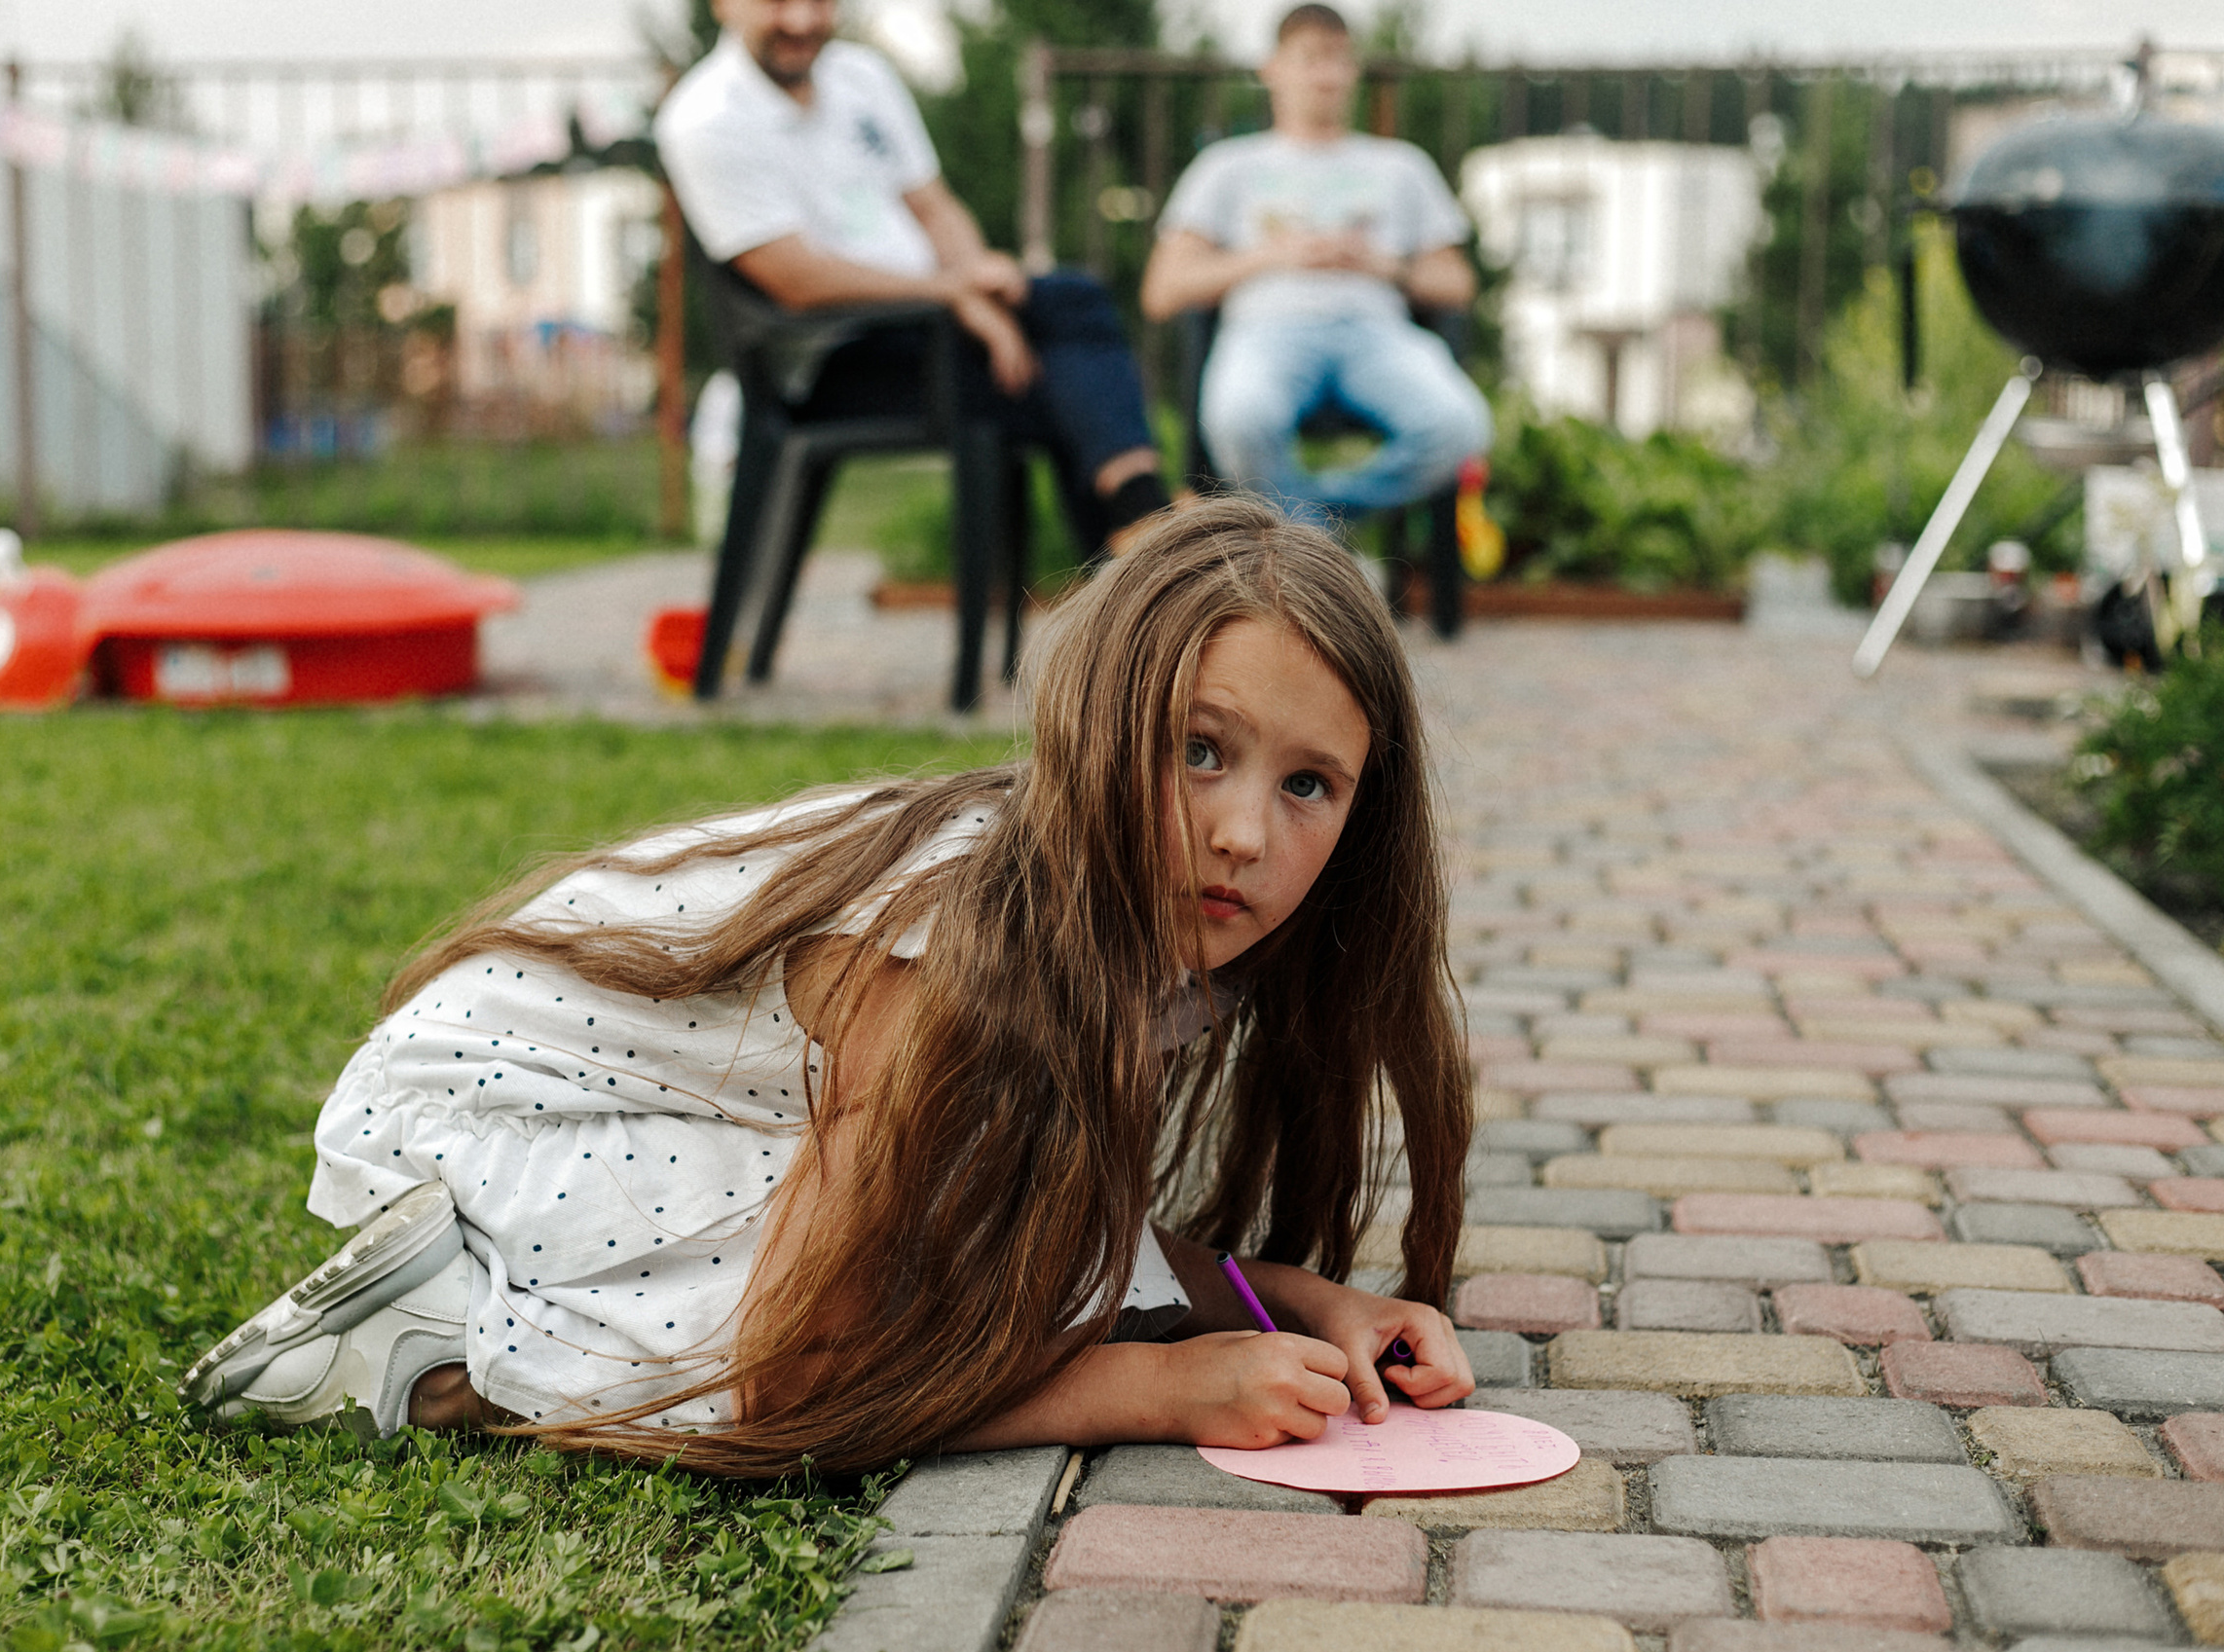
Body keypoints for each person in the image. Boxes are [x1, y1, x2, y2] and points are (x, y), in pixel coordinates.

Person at [181, 496, 1474, 1476]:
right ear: (1097, 726)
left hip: (646, 1130)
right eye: (1201, 750)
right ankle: (453, 1314)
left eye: (1309, 783)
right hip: (499, 1114)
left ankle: (501, 1299)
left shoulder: (1152, 946)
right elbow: (807, 1368)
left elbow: (1079, 1229)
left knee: (992, 1230)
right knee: (901, 1281)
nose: (1247, 829)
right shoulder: (954, 957)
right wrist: (1156, 1389)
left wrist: (1308, 1299)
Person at [654, 0, 1172, 551]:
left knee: (1073, 300)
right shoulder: (703, 118)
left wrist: (978, 287)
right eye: (778, 2)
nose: (803, 21)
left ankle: (1137, 534)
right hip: (830, 363)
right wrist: (953, 293)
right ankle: (1143, 540)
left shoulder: (863, 75)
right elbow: (797, 282)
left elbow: (934, 208)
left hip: (934, 327)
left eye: (820, 2)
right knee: (1074, 386)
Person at [1141, 3, 1492, 526]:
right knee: (1240, 421)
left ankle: (1309, 532)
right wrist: (1271, 256)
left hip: (1378, 335)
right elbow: (1162, 291)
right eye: (1310, 59)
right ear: (1273, 69)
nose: (1326, 75)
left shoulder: (1402, 166)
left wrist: (1382, 265)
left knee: (1460, 429)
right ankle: (1321, 550)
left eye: (1339, 60)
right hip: (1265, 332)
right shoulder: (1226, 166)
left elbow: (1459, 284)